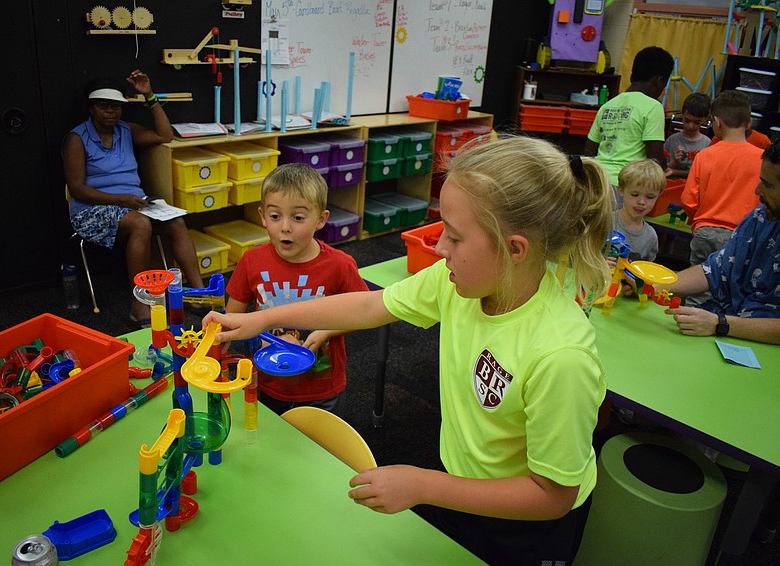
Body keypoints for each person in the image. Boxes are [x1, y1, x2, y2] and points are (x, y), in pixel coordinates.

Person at [203, 136, 613, 565]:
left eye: (453, 237)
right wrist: (262, 319)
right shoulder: (457, 282)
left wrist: (422, 485)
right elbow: (367, 305)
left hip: (525, 528)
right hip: (459, 484)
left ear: (514, 249)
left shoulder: (561, 357)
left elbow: (551, 496)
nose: (438, 249)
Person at [222, 163, 368, 415]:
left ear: (321, 219)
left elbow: (365, 312)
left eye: (298, 217)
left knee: (320, 448)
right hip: (265, 382)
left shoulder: (339, 265)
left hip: (321, 388)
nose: (285, 227)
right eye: (275, 216)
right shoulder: (251, 261)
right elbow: (232, 320)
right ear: (262, 216)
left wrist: (325, 331)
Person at [62, 70, 205, 326]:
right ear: (92, 108)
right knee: (140, 223)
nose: (110, 111)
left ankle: (198, 294)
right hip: (92, 209)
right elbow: (77, 189)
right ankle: (139, 303)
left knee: (176, 222)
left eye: (116, 106)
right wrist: (121, 201)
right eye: (103, 106)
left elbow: (165, 136)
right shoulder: (77, 138)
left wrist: (149, 95)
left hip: (133, 202)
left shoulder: (125, 130)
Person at [661, 139, 780, 345]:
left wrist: (721, 324)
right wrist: (655, 285)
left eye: (768, 185)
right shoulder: (761, 217)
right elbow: (716, 270)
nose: (757, 191)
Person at [680, 89, 762, 270]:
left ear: (716, 122)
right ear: (749, 122)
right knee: (730, 289)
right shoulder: (762, 159)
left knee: (698, 286)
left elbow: (688, 200)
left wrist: (699, 221)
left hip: (705, 230)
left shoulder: (705, 155)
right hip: (742, 233)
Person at [585, 46, 673, 205]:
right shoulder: (653, 107)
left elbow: (589, 150)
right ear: (659, 81)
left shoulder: (608, 105)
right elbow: (654, 157)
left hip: (596, 182)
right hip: (626, 187)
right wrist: (666, 169)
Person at [610, 159, 665, 266]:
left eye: (650, 197)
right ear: (621, 190)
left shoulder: (650, 236)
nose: (641, 202)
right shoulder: (604, 222)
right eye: (635, 194)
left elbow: (647, 271)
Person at [664, 92, 711, 179]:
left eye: (697, 122)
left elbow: (702, 175)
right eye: (686, 120)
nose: (690, 126)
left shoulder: (707, 144)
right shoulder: (672, 140)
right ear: (682, 116)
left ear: (704, 119)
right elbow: (663, 169)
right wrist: (675, 162)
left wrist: (675, 172)